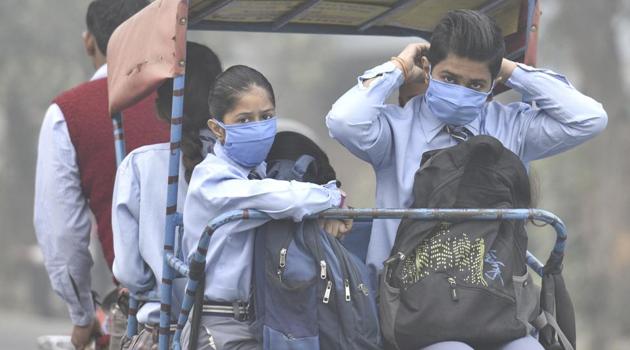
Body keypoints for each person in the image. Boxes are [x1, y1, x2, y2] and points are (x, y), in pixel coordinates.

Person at [326, 9, 607, 349]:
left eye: (476, 84)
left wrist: (507, 67)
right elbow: (343, 121)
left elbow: (589, 118)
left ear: (492, 85)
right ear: (429, 69)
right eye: (450, 79)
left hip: (495, 297)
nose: (461, 91)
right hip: (413, 305)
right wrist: (400, 67)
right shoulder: (394, 131)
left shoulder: (512, 127)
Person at [181, 65, 350, 350]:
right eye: (244, 120)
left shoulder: (261, 172)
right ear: (217, 129)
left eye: (266, 117)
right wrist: (332, 198)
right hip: (220, 322)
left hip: (268, 320)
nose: (257, 127)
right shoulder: (211, 179)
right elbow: (281, 198)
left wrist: (331, 207)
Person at [33, 1, 169, 349]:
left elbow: (62, 234)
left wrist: (82, 315)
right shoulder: (193, 98)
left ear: (88, 42)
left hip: (142, 312)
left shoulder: (68, 113)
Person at [111, 42, 222, 349]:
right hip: (229, 332)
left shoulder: (139, 165)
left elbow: (129, 273)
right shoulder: (246, 167)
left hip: (162, 329)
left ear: (162, 102)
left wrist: (159, 284)